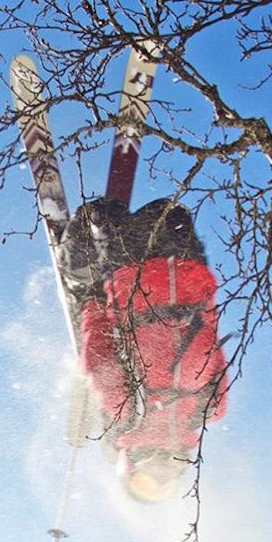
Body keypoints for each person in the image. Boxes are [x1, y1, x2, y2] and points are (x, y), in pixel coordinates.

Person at [62, 198, 229, 503]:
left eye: (146, 484)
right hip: (165, 265)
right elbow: (210, 335)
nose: (160, 477)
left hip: (149, 267)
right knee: (146, 212)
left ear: (130, 468)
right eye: (165, 486)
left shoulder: (127, 412)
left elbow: (99, 351)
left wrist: (92, 303)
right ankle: (86, 249)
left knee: (121, 219)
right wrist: (90, 302)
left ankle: (86, 251)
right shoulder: (209, 409)